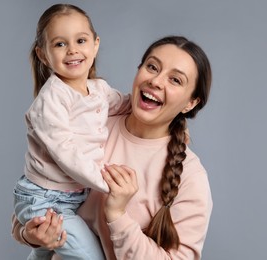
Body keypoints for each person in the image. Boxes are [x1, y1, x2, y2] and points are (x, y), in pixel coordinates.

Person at [12, 35, 213, 260]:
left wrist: (117, 216)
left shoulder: (190, 176)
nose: (156, 81)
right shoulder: (91, 122)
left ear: (191, 103)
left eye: (175, 80)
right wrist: (30, 235)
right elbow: (35, 196)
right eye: (152, 67)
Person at [13, 4, 130, 260]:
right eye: (60, 44)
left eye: (81, 40)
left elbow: (125, 104)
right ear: (43, 55)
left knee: (44, 255)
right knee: (91, 257)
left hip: (72, 196)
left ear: (95, 45)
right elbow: (66, 153)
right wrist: (106, 184)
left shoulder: (98, 89)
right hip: (45, 200)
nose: (73, 50)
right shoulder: (51, 100)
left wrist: (172, 118)